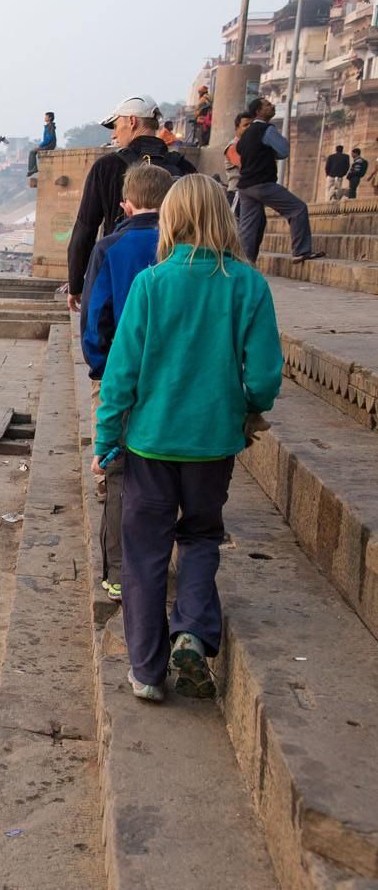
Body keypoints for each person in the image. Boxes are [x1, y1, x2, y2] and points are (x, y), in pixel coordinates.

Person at [94, 175, 282, 703]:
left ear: (171, 221)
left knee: (145, 555)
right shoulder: (249, 284)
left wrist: (105, 442)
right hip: (213, 444)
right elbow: (266, 375)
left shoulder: (151, 285)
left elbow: (120, 376)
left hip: (149, 444)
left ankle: (147, 671)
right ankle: (194, 634)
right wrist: (246, 408)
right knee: (200, 538)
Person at [79, 163, 173, 603]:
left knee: (116, 475)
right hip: (173, 377)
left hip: (121, 370)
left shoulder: (111, 246)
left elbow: (95, 315)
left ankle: (117, 574)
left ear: (124, 205)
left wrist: (100, 369)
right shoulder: (182, 247)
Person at [66, 95, 195, 311]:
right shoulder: (184, 167)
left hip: (120, 270)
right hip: (175, 273)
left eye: (116, 126)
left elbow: (85, 228)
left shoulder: (106, 167)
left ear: (132, 121)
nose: (114, 134)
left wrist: (76, 283)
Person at [236, 97, 323, 264]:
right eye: (268, 105)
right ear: (258, 111)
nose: (272, 106)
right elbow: (283, 150)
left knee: (248, 227)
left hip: (245, 187)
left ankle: (243, 262)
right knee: (297, 209)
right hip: (262, 183)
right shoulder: (267, 129)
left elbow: (240, 150)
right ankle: (301, 251)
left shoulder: (246, 135)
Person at [223, 113, 253, 210]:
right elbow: (245, 166)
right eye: (245, 125)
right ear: (237, 128)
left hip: (250, 194)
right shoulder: (233, 146)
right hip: (237, 193)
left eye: (251, 125)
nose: (249, 128)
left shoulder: (249, 146)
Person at [28, 111, 56, 177]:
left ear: (50, 118)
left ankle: (33, 169)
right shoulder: (48, 126)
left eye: (46, 116)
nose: (45, 118)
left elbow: (49, 138)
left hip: (49, 145)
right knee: (33, 151)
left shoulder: (50, 126)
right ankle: (33, 168)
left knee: (32, 152)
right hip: (48, 144)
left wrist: (41, 145)